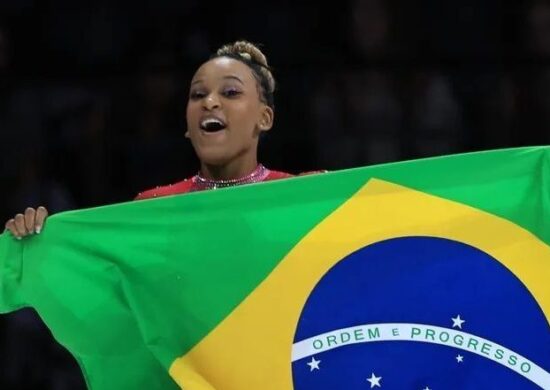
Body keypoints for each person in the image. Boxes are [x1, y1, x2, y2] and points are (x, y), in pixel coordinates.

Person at [4, 40, 322, 238]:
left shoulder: (300, 197)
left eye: (230, 92)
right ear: (187, 125)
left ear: (264, 118)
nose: (210, 102)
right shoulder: (152, 208)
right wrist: (44, 242)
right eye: (198, 94)